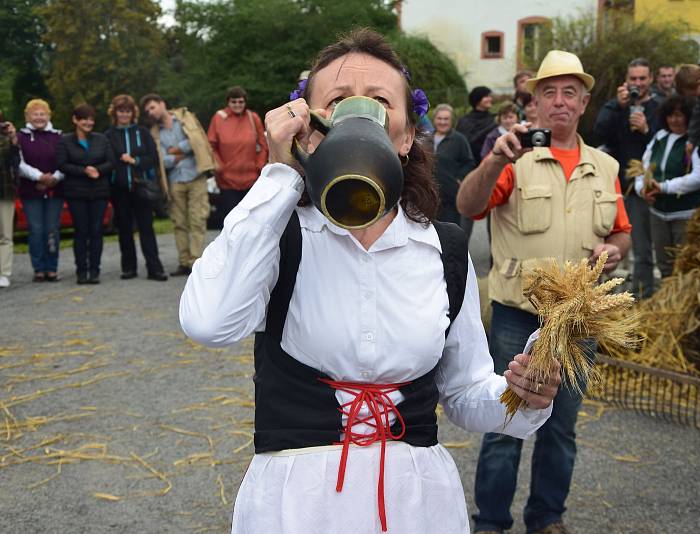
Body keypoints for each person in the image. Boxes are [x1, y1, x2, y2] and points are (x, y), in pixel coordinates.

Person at [180, 29, 560, 534]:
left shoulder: (443, 250)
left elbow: (466, 392)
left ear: (405, 136)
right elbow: (208, 323)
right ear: (308, 126)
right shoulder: (277, 234)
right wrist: (279, 173)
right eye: (336, 102)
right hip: (298, 506)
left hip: (416, 506)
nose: (358, 112)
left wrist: (520, 395)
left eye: (380, 102)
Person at [457, 50, 632, 534]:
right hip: (518, 314)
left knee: (561, 427)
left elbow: (622, 232)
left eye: (569, 92)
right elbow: (468, 205)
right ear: (533, 103)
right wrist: (494, 157)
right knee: (505, 419)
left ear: (583, 103)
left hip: (577, 320)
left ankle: (547, 518)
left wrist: (615, 250)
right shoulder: (514, 158)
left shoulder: (606, 167)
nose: (559, 101)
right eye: (549, 92)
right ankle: (491, 521)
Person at [594, 57, 659, 299]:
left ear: (650, 79)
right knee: (607, 246)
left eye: (642, 78)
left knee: (642, 248)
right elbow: (599, 132)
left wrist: (646, 130)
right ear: (626, 80)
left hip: (644, 185)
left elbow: (665, 139)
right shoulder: (616, 105)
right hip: (616, 184)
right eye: (633, 79)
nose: (638, 84)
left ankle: (642, 298)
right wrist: (617, 107)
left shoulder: (658, 107)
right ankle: (607, 296)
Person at [634, 95, 700, 278]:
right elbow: (642, 167)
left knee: (685, 265)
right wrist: (642, 189)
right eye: (670, 115)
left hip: (685, 214)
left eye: (679, 115)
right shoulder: (659, 137)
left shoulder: (694, 142)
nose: (674, 120)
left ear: (688, 117)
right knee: (664, 265)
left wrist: (665, 187)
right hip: (658, 213)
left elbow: (699, 177)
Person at [141, 93, 214, 276]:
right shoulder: (154, 133)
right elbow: (161, 161)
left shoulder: (186, 118)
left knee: (198, 220)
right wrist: (179, 154)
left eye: (152, 107)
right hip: (174, 181)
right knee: (179, 223)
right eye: (147, 110)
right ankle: (183, 262)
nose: (150, 112)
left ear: (162, 104)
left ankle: (195, 261)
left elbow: (196, 142)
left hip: (196, 175)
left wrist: (176, 149)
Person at [104, 94, 167, 281]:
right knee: (124, 230)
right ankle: (128, 268)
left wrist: (135, 160)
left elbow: (153, 158)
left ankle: (154, 268)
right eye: (120, 111)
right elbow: (108, 160)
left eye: (127, 111)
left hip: (142, 188)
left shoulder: (143, 132)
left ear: (133, 113)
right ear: (115, 113)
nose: (124, 114)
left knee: (147, 229)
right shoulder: (108, 135)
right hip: (120, 189)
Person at [56, 104, 114, 284]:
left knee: (96, 231)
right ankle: (81, 271)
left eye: (91, 119)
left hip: (99, 192)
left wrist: (98, 170)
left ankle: (95, 270)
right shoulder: (65, 141)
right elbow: (62, 164)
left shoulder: (101, 139)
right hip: (76, 193)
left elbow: (111, 162)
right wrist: (84, 171)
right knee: (81, 231)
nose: (88, 122)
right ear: (75, 120)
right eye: (84, 119)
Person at [17, 99, 65, 282]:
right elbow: (19, 163)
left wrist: (54, 178)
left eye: (42, 114)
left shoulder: (58, 136)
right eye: (35, 114)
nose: (39, 117)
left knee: (52, 229)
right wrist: (39, 177)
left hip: (55, 190)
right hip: (31, 191)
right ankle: (38, 268)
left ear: (48, 116)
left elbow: (65, 160)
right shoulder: (21, 137)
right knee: (36, 230)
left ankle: (52, 267)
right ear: (28, 116)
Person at [207, 86, 268, 221]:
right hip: (227, 181)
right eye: (234, 102)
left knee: (253, 221)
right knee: (231, 221)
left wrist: (259, 165)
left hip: (251, 179)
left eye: (240, 102)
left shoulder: (253, 118)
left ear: (245, 102)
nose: (237, 105)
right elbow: (211, 146)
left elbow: (263, 145)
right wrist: (220, 168)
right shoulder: (218, 118)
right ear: (228, 103)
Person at [431, 103, 475, 225]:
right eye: (439, 118)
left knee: (449, 232)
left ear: (452, 121)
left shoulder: (459, 139)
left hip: (450, 197)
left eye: (446, 119)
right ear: (434, 120)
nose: (442, 122)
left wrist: (459, 178)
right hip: (428, 196)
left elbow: (469, 162)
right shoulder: (426, 138)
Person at [0, 113, 20, 288]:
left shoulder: (6, 139)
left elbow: (16, 161)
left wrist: (13, 136)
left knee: (5, 234)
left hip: (4, 190)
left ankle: (4, 272)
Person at [457, 86, 496, 164]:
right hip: (472, 163)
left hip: (491, 161)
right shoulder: (466, 121)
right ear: (477, 100)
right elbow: (464, 143)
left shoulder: (494, 119)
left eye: (489, 96)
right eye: (486, 96)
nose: (490, 99)